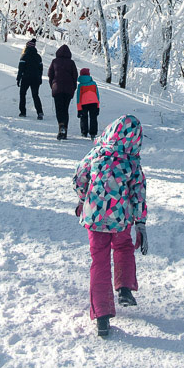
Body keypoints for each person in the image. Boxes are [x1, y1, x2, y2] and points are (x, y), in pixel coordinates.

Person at [72, 114, 147, 338]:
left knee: (99, 260)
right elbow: (138, 194)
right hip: (120, 217)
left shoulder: (96, 153)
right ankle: (124, 287)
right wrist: (140, 222)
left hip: (94, 217)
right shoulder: (132, 162)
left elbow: (79, 177)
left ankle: (102, 316)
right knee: (123, 247)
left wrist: (82, 197)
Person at [47, 44, 79, 140]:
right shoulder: (71, 63)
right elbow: (75, 76)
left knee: (59, 109)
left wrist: (52, 86)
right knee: (65, 109)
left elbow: (50, 75)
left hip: (57, 89)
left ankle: (61, 127)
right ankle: (64, 130)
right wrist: (73, 87)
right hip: (68, 90)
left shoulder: (54, 61)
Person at [15, 38, 44, 119]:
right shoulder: (38, 57)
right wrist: (40, 78)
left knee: (22, 94)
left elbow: (20, 69)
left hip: (25, 78)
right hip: (35, 79)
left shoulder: (24, 56)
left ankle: (23, 112)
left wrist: (18, 78)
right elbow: (40, 69)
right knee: (35, 95)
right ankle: (40, 112)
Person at [76, 67, 101, 140]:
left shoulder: (80, 85)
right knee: (93, 117)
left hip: (84, 103)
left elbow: (78, 97)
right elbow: (97, 94)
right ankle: (93, 133)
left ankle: (84, 132)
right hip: (94, 102)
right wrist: (98, 105)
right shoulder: (93, 84)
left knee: (83, 117)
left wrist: (79, 109)